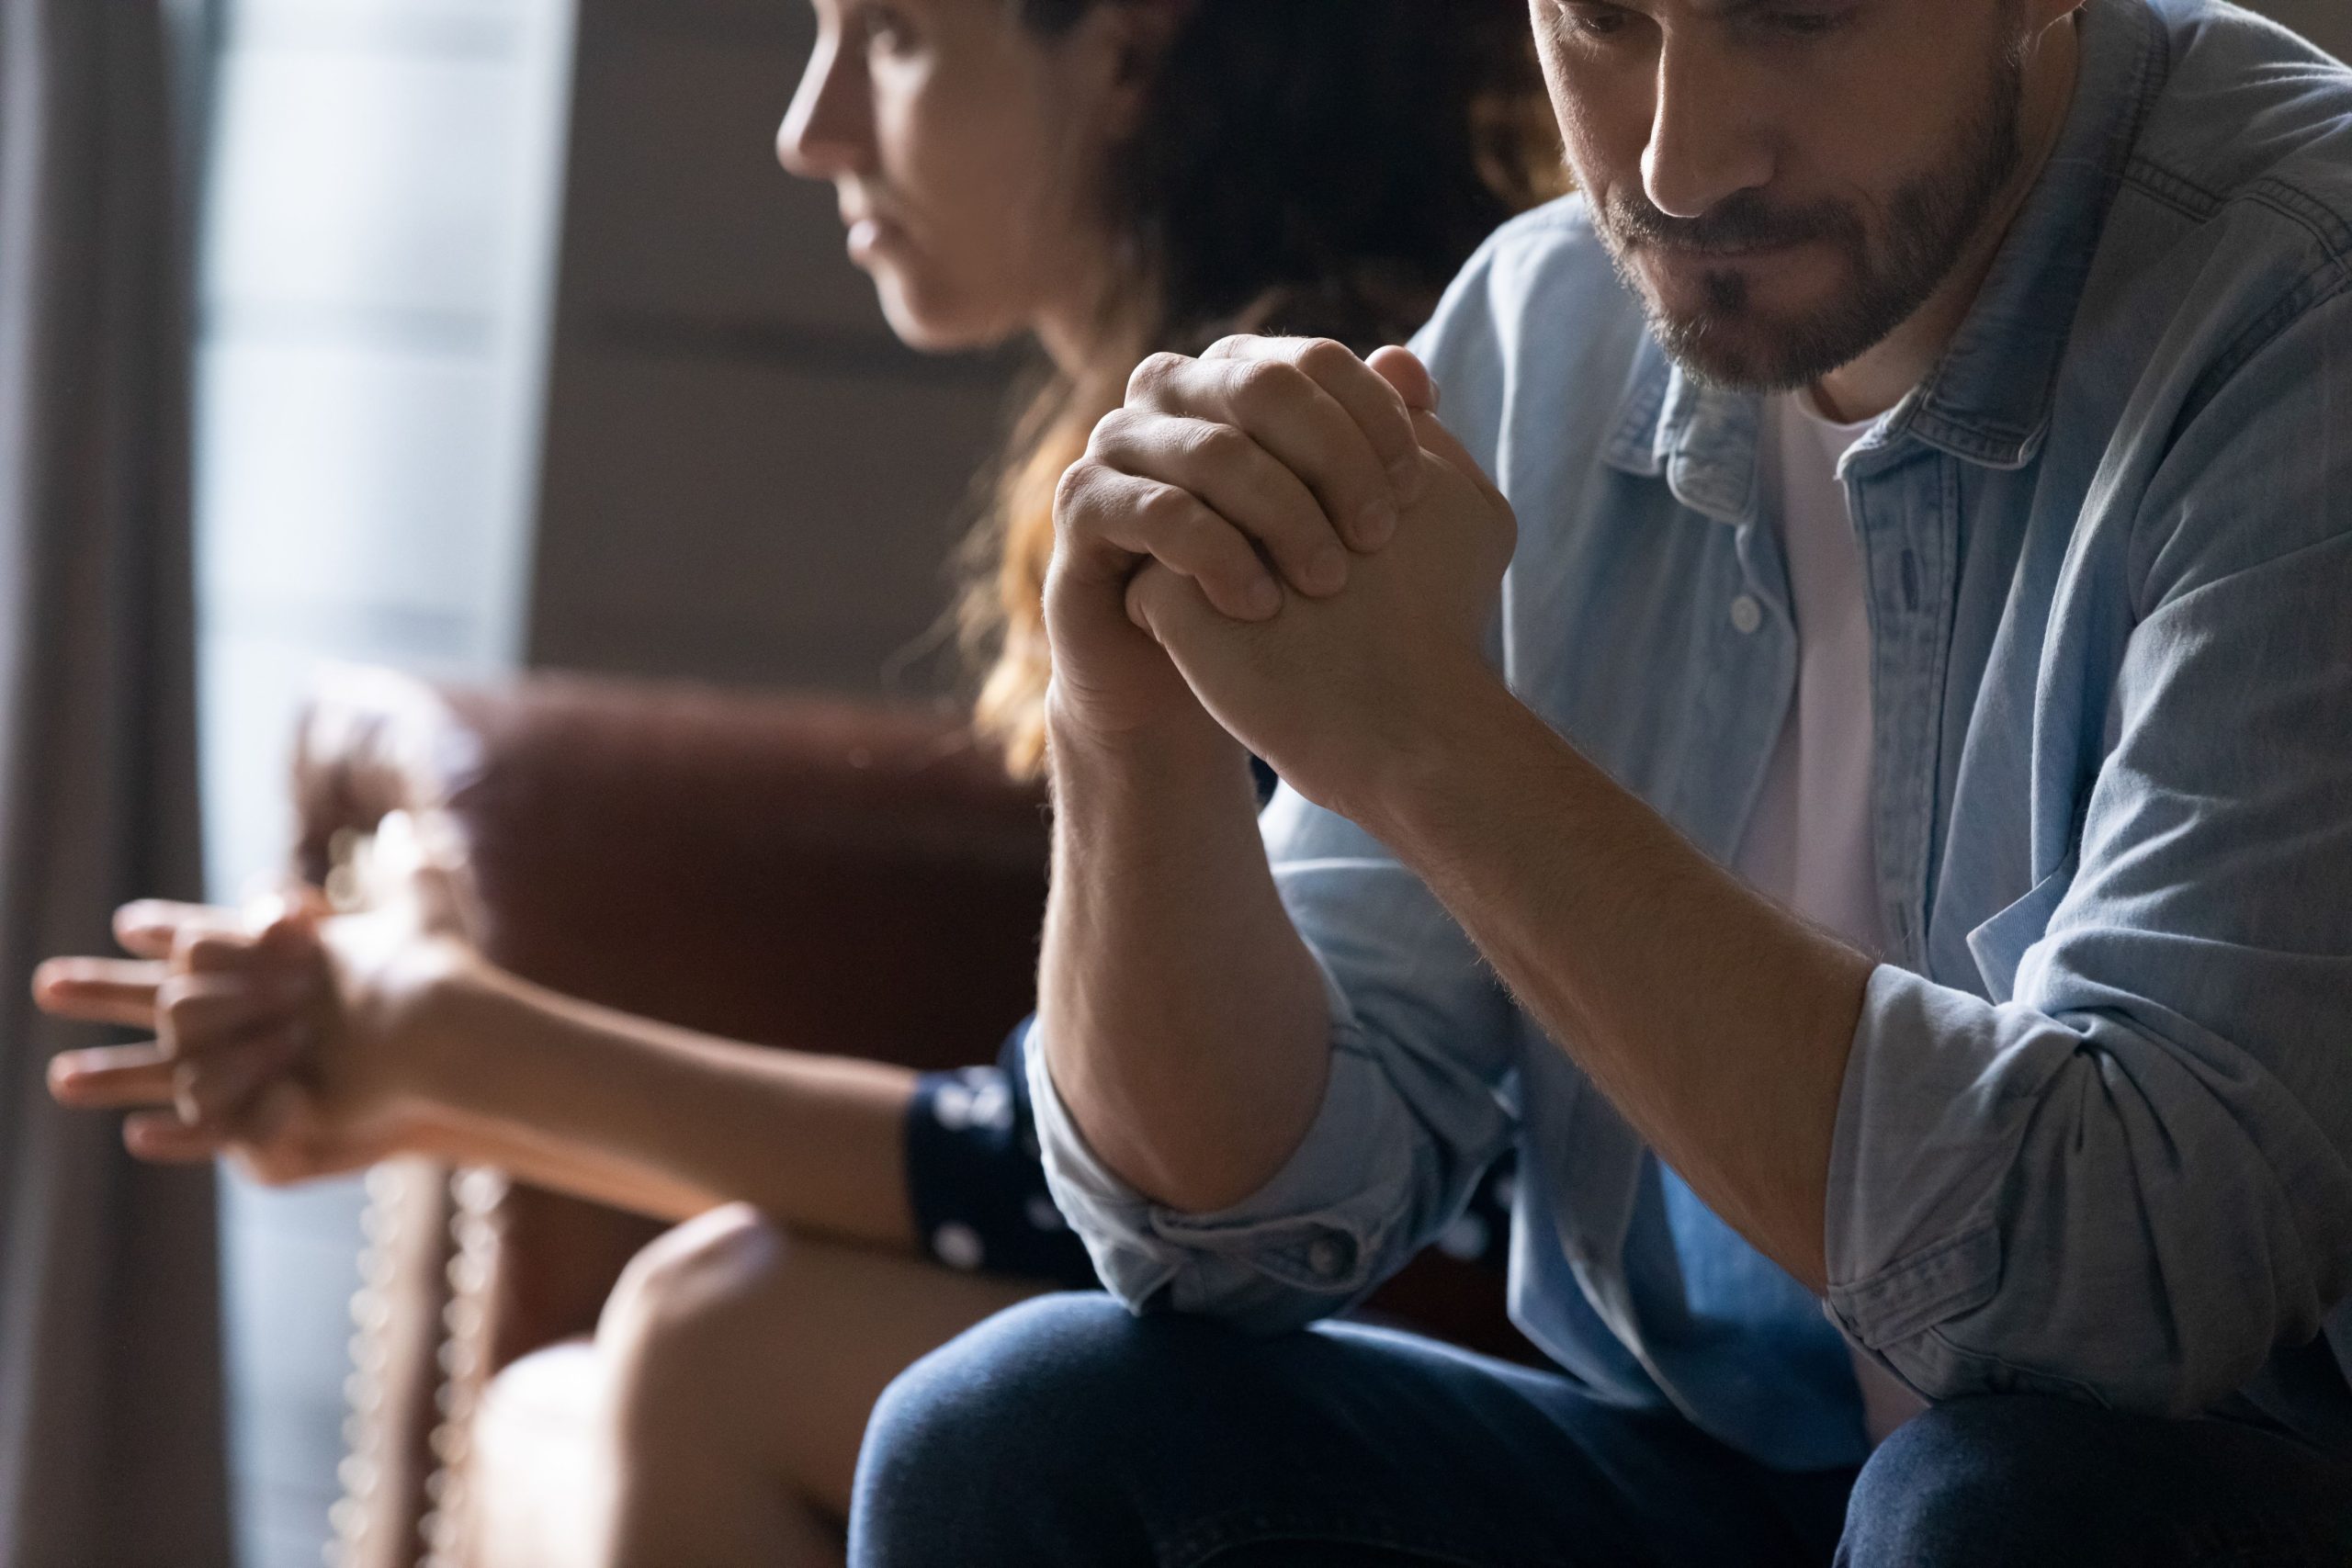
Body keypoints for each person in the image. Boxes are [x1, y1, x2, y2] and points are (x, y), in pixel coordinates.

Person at [28, 3, 1558, 1565]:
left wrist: (452, 1052)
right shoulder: (1176, 427)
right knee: (596, 1401)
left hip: (1473, 1355)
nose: (810, 130)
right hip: (1312, 1306)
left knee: (722, 1336)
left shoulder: (1314, 454)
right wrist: (417, 1069)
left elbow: (1104, 1184)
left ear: (1127, 49)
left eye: (889, 36)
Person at [843, 0, 2352, 1563]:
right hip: (1746, 1475)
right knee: (1024, 1430)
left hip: (2209, 1489)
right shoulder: (1547, 327)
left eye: (1799, 15)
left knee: (2002, 1511)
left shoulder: (2304, 303)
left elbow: (2132, 1294)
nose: (1680, 163)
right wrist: (1129, 726)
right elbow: (1221, 1226)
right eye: (1605, 21)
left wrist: (1441, 750)